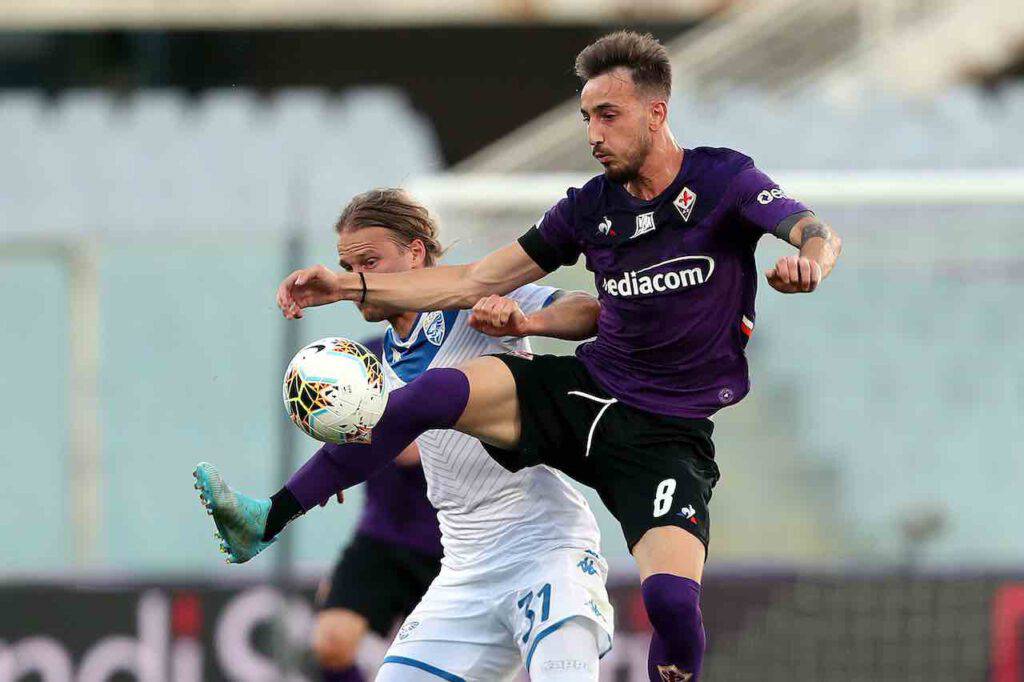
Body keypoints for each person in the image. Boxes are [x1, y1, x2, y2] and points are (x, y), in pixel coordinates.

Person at [265, 30, 844, 682]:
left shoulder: (723, 180)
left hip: (668, 434)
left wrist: (810, 264)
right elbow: (476, 278)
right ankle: (274, 512)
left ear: (656, 112)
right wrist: (343, 286)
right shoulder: (586, 208)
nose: (593, 133)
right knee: (430, 394)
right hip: (589, 394)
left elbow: (814, 231)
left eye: (608, 115)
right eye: (586, 117)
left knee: (672, 604)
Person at [195, 188, 614, 681]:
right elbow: (375, 442)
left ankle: (268, 518)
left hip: (544, 545)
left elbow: (587, 310)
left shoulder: (476, 295)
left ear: (416, 252)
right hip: (464, 565)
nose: (358, 280)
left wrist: (528, 320)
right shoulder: (371, 362)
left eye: (369, 262)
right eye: (348, 268)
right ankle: (267, 519)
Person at [312, 336, 443, 682]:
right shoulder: (366, 357)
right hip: (381, 537)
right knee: (332, 641)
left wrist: (348, 447)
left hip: (451, 547)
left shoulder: (457, 352)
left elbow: (410, 449)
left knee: (439, 669)